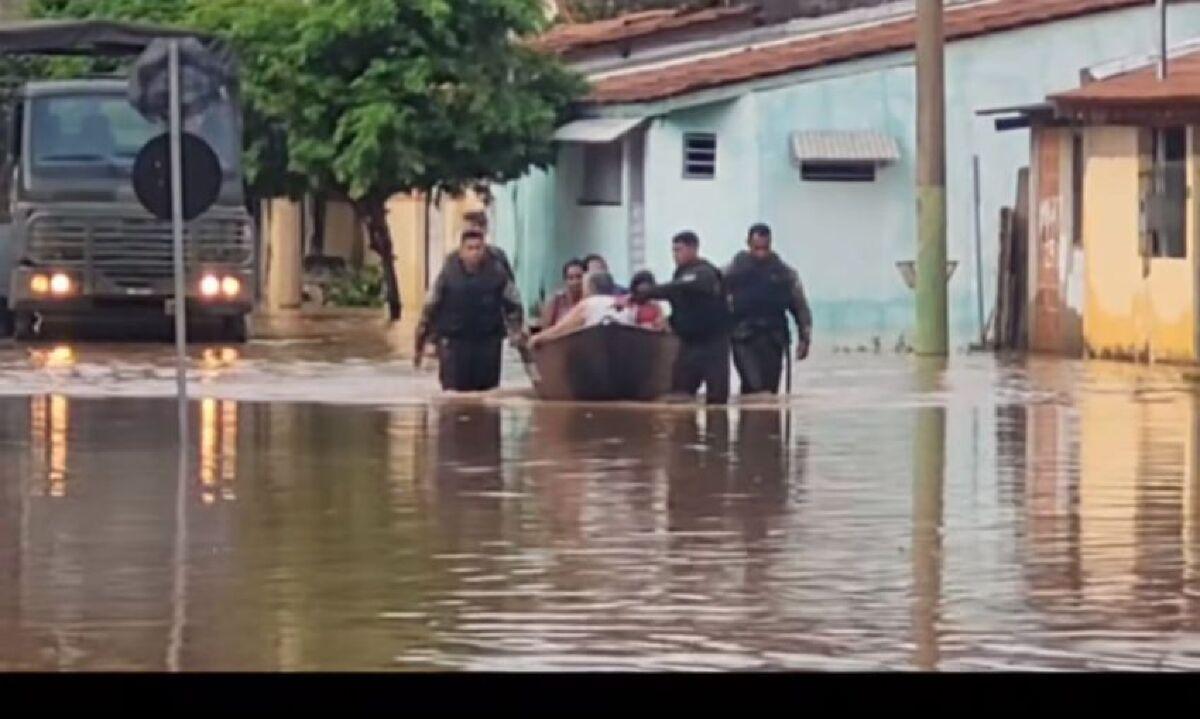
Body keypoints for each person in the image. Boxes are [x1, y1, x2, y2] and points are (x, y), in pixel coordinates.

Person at [416, 228, 526, 392]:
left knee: (487, 393)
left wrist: (516, 331)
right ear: (461, 251)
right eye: (470, 248)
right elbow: (431, 307)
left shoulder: (497, 271)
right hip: (453, 342)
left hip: (487, 342)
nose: (474, 253)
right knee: (452, 394)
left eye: (478, 248)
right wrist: (422, 344)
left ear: (484, 249)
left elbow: (514, 303)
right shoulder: (448, 272)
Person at [635, 231, 731, 405]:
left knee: (717, 401)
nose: (675, 255)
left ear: (693, 249)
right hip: (689, 344)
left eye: (679, 250)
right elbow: (685, 306)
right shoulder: (680, 274)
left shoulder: (705, 272)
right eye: (673, 251)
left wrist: (649, 292)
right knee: (680, 394)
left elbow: (682, 287)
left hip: (713, 344)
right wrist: (670, 320)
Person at [724, 223, 813, 396]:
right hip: (744, 337)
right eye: (757, 248)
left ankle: (761, 422)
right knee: (755, 387)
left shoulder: (784, 273)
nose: (761, 253)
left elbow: (800, 307)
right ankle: (752, 418)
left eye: (765, 248)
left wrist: (805, 338)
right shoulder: (733, 271)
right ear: (748, 244)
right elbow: (715, 298)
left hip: (774, 338)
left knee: (770, 390)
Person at [530, 271, 633, 348]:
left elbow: (560, 330)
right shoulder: (625, 306)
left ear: (591, 287)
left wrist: (537, 339)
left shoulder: (588, 304)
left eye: (584, 285)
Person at [541, 259, 587, 329]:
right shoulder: (555, 301)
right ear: (565, 280)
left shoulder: (589, 301)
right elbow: (545, 330)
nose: (575, 282)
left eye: (579, 277)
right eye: (571, 278)